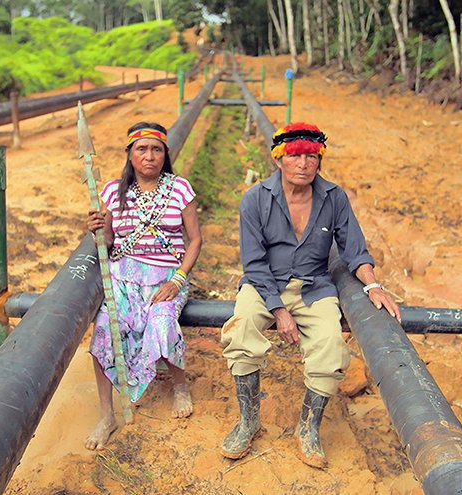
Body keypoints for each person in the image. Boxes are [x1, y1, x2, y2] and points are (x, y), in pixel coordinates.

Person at [220, 122, 401, 468]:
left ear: (320, 160)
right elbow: (254, 263)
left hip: (313, 285)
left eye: (311, 156)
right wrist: (279, 311)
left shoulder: (334, 197)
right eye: (294, 156)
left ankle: (308, 426)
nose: (303, 164)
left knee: (332, 347)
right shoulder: (255, 199)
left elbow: (355, 249)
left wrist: (373, 284)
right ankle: (248, 421)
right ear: (279, 160)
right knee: (240, 331)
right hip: (264, 284)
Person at [85, 122, 202, 450]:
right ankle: (107, 415)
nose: (149, 156)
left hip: (167, 278)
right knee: (105, 329)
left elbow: (195, 240)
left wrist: (178, 280)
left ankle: (180, 386)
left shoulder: (180, 188)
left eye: (156, 150)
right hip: (123, 277)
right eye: (142, 149)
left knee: (162, 320)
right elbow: (108, 243)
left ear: (165, 155)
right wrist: (98, 229)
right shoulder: (112, 191)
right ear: (130, 154)